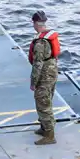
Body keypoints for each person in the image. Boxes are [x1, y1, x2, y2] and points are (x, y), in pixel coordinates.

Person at [27, 11, 61, 145]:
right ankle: (43, 127)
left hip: (44, 75)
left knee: (43, 103)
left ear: (35, 23)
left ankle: (49, 135)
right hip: (52, 71)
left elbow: (38, 64)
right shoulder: (49, 36)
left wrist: (33, 82)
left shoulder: (40, 42)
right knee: (47, 99)